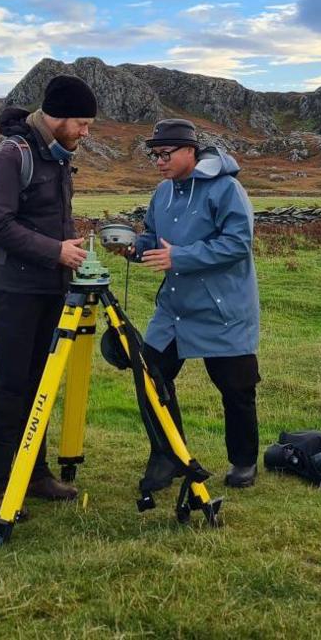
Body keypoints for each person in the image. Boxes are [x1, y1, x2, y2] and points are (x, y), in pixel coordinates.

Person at [110, 118, 262, 488]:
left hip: (223, 309)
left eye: (166, 154)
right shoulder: (162, 193)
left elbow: (238, 243)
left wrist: (181, 257)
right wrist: (133, 248)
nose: (160, 161)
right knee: (152, 379)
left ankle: (243, 462)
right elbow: (154, 241)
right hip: (174, 311)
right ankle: (169, 455)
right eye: (155, 155)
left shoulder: (227, 189)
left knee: (236, 389)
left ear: (190, 151)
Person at [0, 75, 96, 519]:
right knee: (10, 384)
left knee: (42, 384)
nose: (86, 132)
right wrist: (56, 250)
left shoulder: (59, 156)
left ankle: (36, 473)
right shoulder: (12, 156)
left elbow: (46, 218)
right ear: (58, 116)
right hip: (15, 292)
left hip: (53, 289)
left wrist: (69, 248)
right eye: (81, 123)